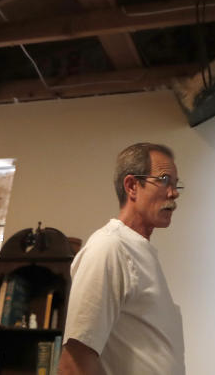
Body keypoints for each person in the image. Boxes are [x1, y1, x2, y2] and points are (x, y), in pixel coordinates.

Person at [57, 142, 185, 375]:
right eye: (165, 180)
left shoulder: (140, 253)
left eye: (176, 185)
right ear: (132, 186)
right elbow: (74, 364)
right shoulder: (110, 246)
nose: (173, 192)